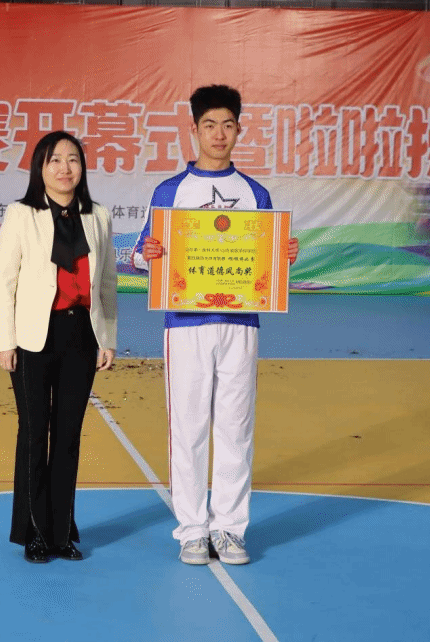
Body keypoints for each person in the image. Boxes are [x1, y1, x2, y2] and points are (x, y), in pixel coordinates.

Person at [133, 84, 299, 566]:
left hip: (241, 323)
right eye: (210, 125)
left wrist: (284, 255)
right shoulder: (170, 191)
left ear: (239, 130)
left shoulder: (255, 193)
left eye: (228, 125)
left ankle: (229, 529)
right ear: (194, 129)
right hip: (185, 323)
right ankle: (191, 530)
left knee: (236, 427)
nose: (219, 134)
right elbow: (142, 254)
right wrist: (147, 254)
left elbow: (267, 260)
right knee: (187, 428)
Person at [0, 130, 118, 563]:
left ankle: (61, 533)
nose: (65, 168)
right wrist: (5, 342)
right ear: (40, 169)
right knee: (34, 435)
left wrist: (107, 338)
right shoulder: (21, 214)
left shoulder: (99, 216)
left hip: (81, 334)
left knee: (68, 437)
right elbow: (4, 282)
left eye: (73, 159)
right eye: (55, 160)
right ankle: (33, 533)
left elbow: (107, 283)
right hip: (32, 337)